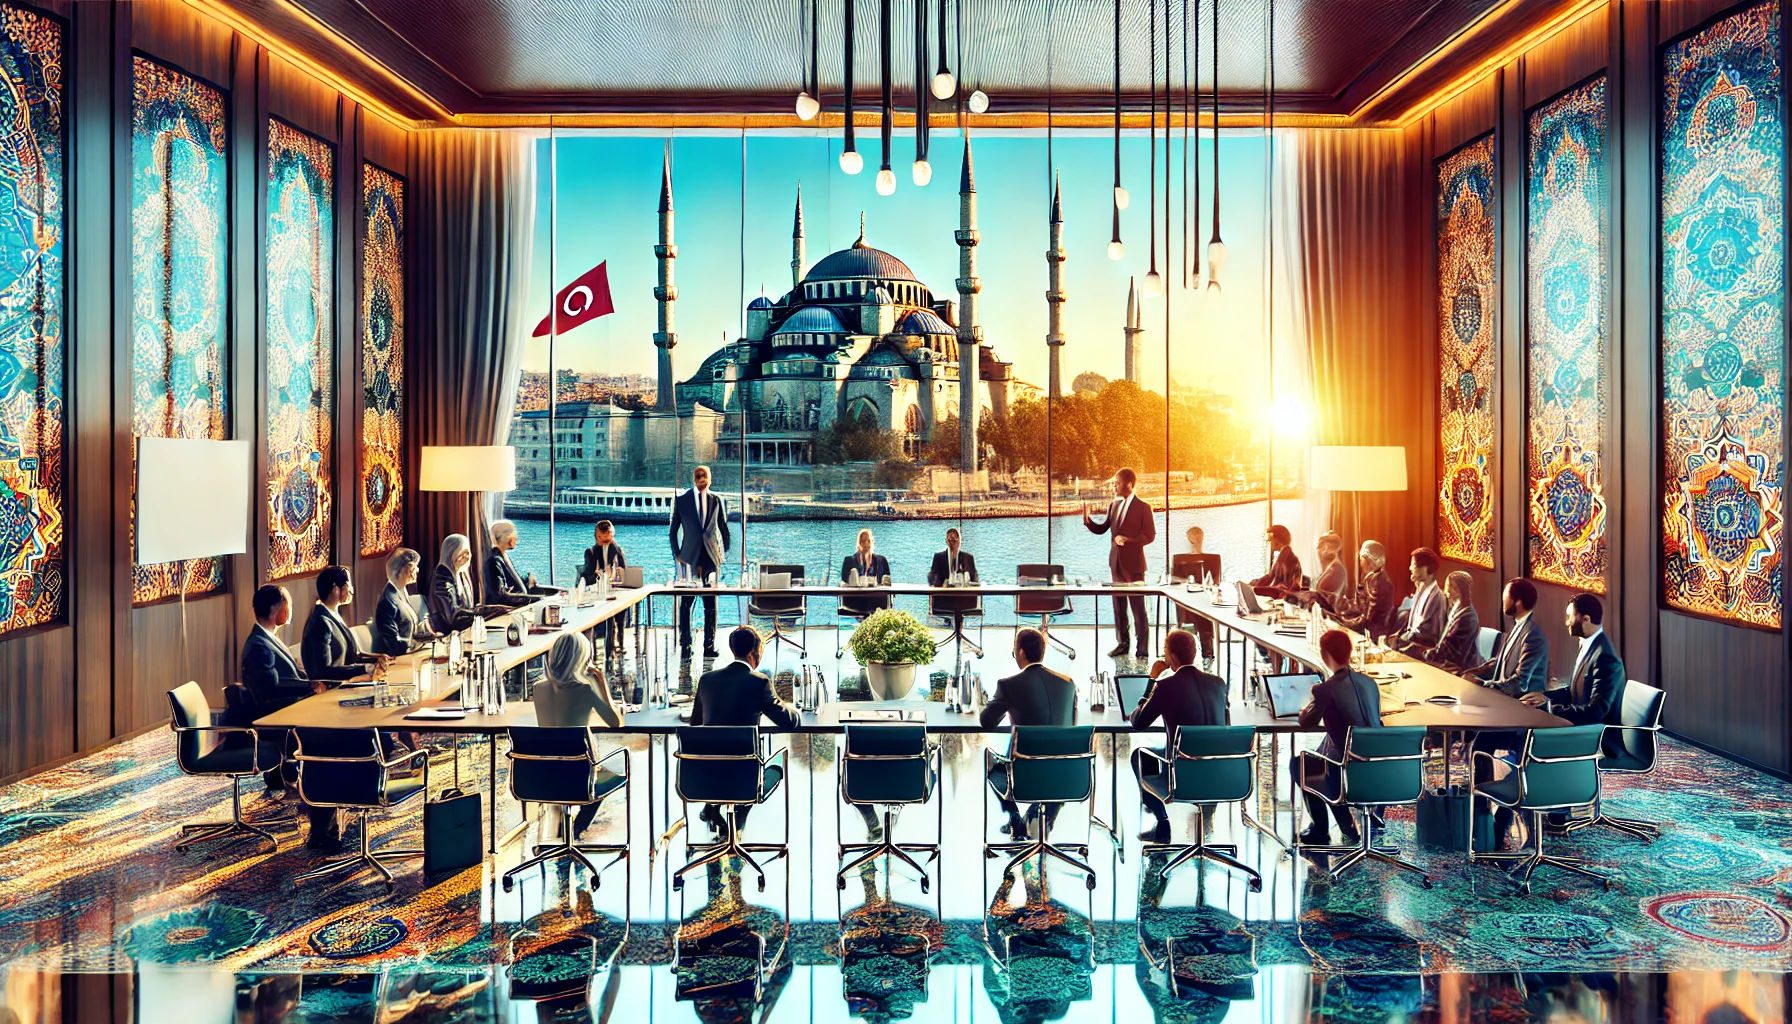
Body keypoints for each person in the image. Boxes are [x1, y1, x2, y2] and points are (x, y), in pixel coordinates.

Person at [240, 584, 345, 850]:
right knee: (325, 747)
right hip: (276, 725)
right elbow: (268, 689)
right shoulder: (258, 645)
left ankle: (327, 816)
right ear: (280, 609)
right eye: (289, 605)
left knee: (336, 736)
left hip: (284, 715)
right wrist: (307, 688)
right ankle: (321, 829)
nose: (291, 610)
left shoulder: (266, 637)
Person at [689, 626, 799, 831]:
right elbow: (788, 721)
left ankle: (712, 806)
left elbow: (695, 726)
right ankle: (737, 826)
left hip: (705, 776)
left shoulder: (707, 680)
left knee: (725, 758)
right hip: (745, 779)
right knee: (774, 761)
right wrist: (794, 708)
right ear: (753, 654)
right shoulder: (758, 682)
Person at [1129, 629, 1230, 842]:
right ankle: (1207, 813)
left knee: (1139, 755)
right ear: (1194, 653)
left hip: (1182, 776)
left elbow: (1138, 722)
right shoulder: (1218, 683)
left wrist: (1152, 679)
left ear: (1171, 656)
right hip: (1221, 774)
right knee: (1200, 748)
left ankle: (1162, 824)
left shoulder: (1165, 686)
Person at [980, 628, 1078, 838]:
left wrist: (996, 701)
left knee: (993, 758)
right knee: (1047, 753)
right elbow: (1071, 723)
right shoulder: (1068, 684)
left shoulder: (1009, 685)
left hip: (1025, 779)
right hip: (1068, 776)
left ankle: (1016, 818)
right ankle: (1044, 817)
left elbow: (986, 721)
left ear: (1021, 652)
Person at [1294, 629, 1383, 848]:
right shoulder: (1370, 683)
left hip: (1347, 775)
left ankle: (1323, 830)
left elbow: (1306, 722)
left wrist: (1304, 710)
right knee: (1327, 744)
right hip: (1380, 772)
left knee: (1300, 764)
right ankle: (1372, 818)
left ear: (1324, 656)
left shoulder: (1325, 689)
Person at [533, 631, 625, 839]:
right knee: (618, 770)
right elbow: (615, 722)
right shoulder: (584, 690)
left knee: (573, 768)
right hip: (580, 776)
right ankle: (576, 829)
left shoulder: (538, 689)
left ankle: (561, 828)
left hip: (545, 774)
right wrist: (601, 683)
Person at [1521, 593, 1623, 734]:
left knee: (1526, 731)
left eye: (1570, 617)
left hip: (1596, 737)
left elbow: (1594, 713)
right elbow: (1574, 692)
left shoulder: (1606, 658)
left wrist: (1550, 708)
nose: (1567, 622)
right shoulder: (1590, 644)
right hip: (1581, 727)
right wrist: (1544, 697)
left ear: (1586, 619)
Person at [1082, 467, 1156, 658]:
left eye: (1118, 482)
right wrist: (1088, 521)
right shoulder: (1114, 506)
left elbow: (1150, 536)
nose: (1114, 486)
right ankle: (1123, 645)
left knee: (1139, 610)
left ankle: (1142, 650)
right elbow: (1103, 529)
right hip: (1115, 565)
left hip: (1134, 567)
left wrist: (1128, 540)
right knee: (1119, 608)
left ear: (1129, 484)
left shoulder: (1143, 507)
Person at [670, 465, 731, 657]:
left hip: (711, 558)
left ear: (710, 479)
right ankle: (685, 645)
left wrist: (724, 552)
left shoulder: (716, 500)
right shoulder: (682, 500)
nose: (701, 478)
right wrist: (677, 553)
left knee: (710, 604)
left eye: (705, 475)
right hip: (689, 557)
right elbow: (673, 530)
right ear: (693, 478)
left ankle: (709, 647)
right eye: (698, 475)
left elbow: (722, 526)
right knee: (686, 603)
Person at [301, 565, 388, 683]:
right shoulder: (321, 622)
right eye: (349, 586)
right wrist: (365, 668)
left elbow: (351, 656)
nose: (352, 590)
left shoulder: (332, 614)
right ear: (335, 589)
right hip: (332, 689)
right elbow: (323, 671)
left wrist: (377, 659)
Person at [1464, 578, 1549, 696]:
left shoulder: (1533, 636)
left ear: (1518, 602)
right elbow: (1499, 663)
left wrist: (1485, 684)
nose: (1503, 600)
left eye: (1505, 596)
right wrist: (1474, 674)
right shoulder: (1517, 625)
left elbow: (1519, 683)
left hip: (1520, 706)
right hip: (1501, 697)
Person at [373, 548, 435, 656]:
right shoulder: (388, 600)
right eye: (413, 567)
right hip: (401, 659)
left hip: (411, 653)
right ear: (401, 570)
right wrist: (418, 645)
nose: (417, 570)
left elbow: (410, 628)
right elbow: (394, 644)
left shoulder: (400, 591)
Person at [579, 521, 629, 654]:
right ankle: (604, 645)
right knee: (605, 613)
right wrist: (597, 575)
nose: (608, 540)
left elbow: (625, 570)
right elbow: (587, 576)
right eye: (604, 538)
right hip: (597, 591)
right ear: (597, 537)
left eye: (610, 536)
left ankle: (620, 640)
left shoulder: (617, 550)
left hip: (615, 590)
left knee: (621, 607)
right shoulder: (591, 552)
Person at [1415, 571, 1481, 670]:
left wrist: (1423, 653)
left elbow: (1448, 649)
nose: (1447, 592)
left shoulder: (1467, 617)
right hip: (1446, 661)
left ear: (1459, 591)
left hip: (1459, 668)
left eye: (1450, 588)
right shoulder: (1458, 609)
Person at [1335, 541, 1397, 640]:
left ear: (1368, 560)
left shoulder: (1379, 583)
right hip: (1368, 629)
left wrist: (1344, 624)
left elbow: (1369, 618)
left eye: (1361, 559)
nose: (1360, 563)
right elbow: (1360, 608)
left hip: (1373, 635)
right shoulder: (1372, 578)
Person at [1174, 526, 1217, 664]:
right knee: (1199, 625)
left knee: (1204, 626)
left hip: (1201, 598)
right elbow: (1176, 579)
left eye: (1196, 540)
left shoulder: (1210, 560)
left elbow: (1215, 580)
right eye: (1193, 540)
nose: (1195, 542)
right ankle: (1205, 655)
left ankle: (1207, 655)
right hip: (1188, 598)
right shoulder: (1182, 559)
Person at [1390, 547, 1447, 649]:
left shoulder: (1437, 597)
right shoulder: (1420, 591)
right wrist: (1397, 635)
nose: (1410, 568)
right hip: (1409, 643)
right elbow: (1410, 625)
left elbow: (1426, 633)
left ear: (1425, 569)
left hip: (1422, 650)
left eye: (1414, 565)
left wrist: (1400, 641)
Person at [484, 520, 543, 607]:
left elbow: (512, 582)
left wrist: (528, 579)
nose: (516, 538)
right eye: (514, 535)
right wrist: (528, 597)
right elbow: (500, 595)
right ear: (507, 538)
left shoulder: (504, 557)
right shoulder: (494, 562)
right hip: (505, 612)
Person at [429, 533, 477, 635]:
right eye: (461, 554)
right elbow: (451, 616)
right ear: (450, 553)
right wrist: (477, 614)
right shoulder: (441, 576)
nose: (466, 557)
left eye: (467, 553)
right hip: (447, 634)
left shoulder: (462, 573)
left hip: (463, 630)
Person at [840, 528, 893, 618]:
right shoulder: (848, 561)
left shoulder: (881, 561)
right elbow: (844, 580)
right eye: (862, 541)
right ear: (858, 543)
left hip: (877, 602)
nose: (865, 544)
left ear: (872, 542)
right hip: (854, 603)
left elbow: (887, 582)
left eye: (868, 541)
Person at [1251, 525, 1303, 598]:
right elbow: (1270, 576)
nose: (1270, 544)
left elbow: (1284, 589)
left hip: (1287, 600)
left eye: (1271, 540)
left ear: (1276, 541)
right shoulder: (1282, 557)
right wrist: (1256, 583)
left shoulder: (1288, 559)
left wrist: (1255, 589)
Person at [1312, 531, 1348, 608]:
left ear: (1325, 548)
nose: (1318, 552)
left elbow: (1320, 599)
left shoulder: (1336, 571)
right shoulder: (1332, 568)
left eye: (1319, 547)